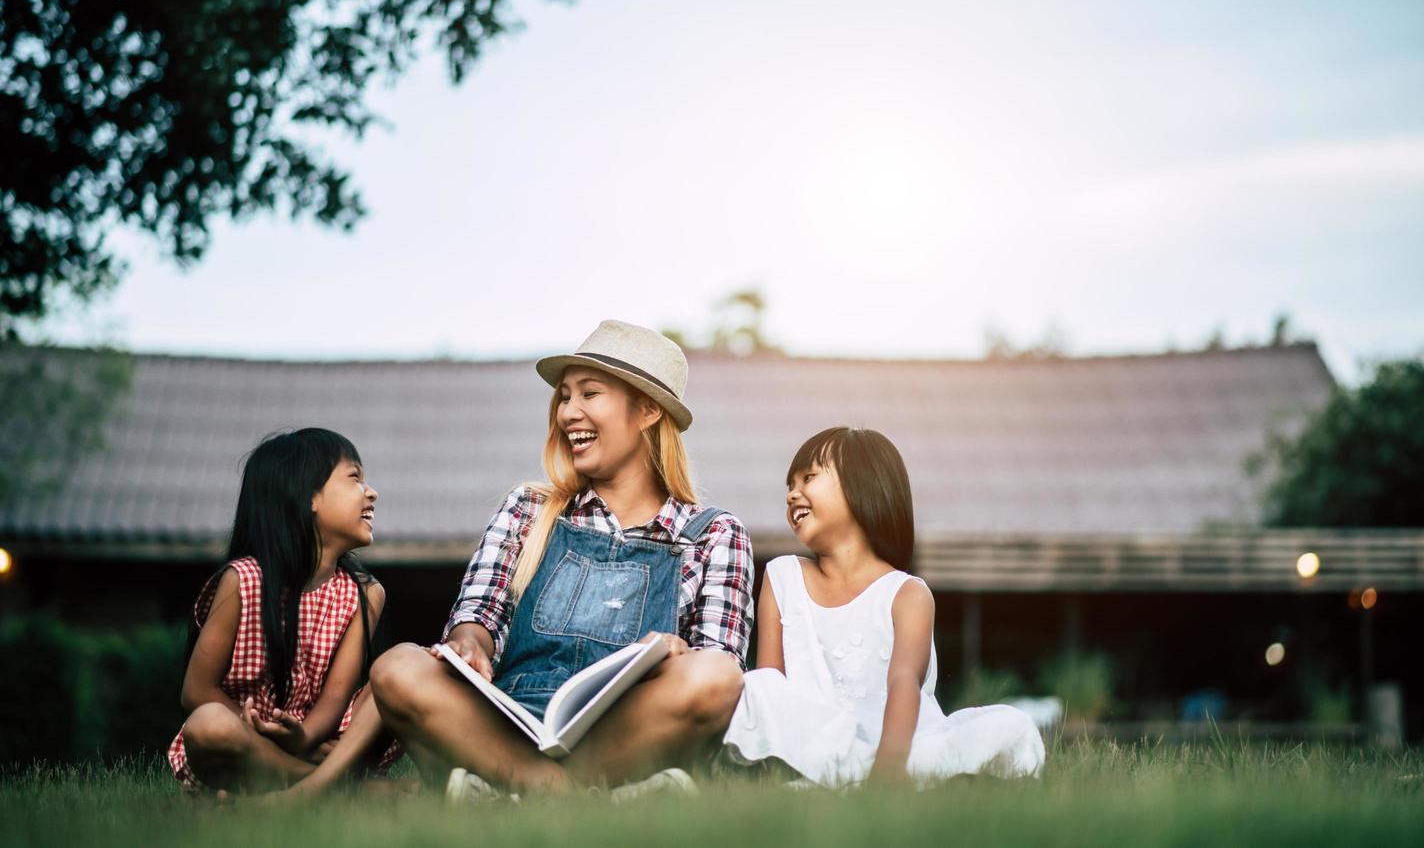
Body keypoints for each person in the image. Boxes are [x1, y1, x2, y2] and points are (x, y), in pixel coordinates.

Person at [370, 320, 754, 797]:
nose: (568, 412)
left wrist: (676, 654)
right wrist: (469, 643)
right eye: (565, 397)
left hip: (630, 730)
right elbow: (478, 614)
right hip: (508, 720)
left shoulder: (714, 534)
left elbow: (720, 663)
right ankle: (585, 794)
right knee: (399, 667)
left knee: (714, 675)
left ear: (648, 410)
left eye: (589, 394)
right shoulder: (527, 510)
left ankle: (510, 790)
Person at [723, 426, 1045, 787]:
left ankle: (872, 775)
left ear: (863, 487)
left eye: (808, 478)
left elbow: (904, 683)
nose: (792, 494)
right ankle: (829, 772)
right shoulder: (783, 576)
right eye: (789, 486)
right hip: (815, 742)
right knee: (757, 685)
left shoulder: (907, 594)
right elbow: (773, 687)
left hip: (899, 745)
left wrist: (886, 774)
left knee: (1010, 726)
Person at [167, 428, 395, 793]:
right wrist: (262, 731)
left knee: (395, 676)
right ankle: (336, 786)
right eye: (355, 478)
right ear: (308, 497)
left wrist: (303, 736)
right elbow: (196, 690)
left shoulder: (364, 594)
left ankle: (299, 781)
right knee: (206, 724)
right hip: (246, 736)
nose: (371, 492)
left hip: (316, 737)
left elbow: (337, 697)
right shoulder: (242, 582)